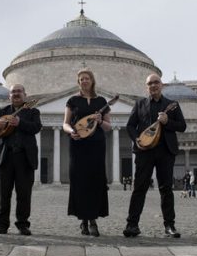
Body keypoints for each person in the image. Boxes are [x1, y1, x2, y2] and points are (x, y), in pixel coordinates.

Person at [124, 73, 186, 238]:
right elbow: (130, 125)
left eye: (156, 82)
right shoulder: (140, 104)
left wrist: (167, 122)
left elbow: (182, 126)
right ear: (147, 87)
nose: (153, 85)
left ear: (162, 84)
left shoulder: (172, 105)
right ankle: (132, 224)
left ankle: (169, 226)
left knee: (166, 189)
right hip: (144, 151)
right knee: (139, 188)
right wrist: (136, 139)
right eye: (150, 83)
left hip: (165, 151)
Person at [0, 84, 42, 235]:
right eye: (13, 92)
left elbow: (37, 127)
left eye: (19, 92)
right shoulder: (2, 111)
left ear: (25, 94)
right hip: (5, 157)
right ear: (9, 96)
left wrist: (20, 123)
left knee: (24, 194)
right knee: (4, 194)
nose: (16, 94)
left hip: (25, 158)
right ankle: (1, 224)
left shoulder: (33, 111)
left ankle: (23, 224)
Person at [62, 69, 111, 237]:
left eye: (87, 78)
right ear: (78, 82)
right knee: (79, 180)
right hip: (78, 144)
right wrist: (71, 132)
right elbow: (65, 124)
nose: (84, 81)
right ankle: (83, 220)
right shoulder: (73, 100)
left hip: (96, 144)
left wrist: (101, 120)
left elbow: (108, 127)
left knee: (95, 181)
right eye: (81, 79)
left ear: (92, 80)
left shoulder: (102, 101)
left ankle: (93, 220)